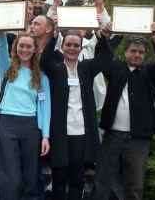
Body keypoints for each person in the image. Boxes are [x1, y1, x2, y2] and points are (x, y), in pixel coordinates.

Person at [93, 23, 155, 200]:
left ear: (144, 55)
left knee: (135, 185)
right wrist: (105, 38)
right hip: (112, 136)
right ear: (126, 52)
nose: (137, 55)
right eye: (133, 51)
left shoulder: (150, 73)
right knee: (102, 181)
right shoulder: (115, 69)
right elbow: (102, 57)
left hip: (138, 139)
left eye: (141, 52)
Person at [41, 27, 112, 200]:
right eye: (69, 45)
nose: (72, 48)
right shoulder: (55, 69)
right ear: (62, 47)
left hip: (81, 133)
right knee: (58, 178)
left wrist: (103, 37)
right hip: (60, 133)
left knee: (77, 179)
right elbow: (44, 59)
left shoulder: (87, 68)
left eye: (76, 45)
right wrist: (54, 35)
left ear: (81, 48)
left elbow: (105, 58)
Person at [0, 31, 51, 200]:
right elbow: (1, 47)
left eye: (29, 46)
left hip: (30, 126)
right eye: (21, 46)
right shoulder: (7, 69)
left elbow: (45, 107)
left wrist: (45, 136)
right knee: (10, 175)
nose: (25, 50)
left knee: (31, 174)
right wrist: (0, 32)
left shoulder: (41, 77)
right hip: (7, 124)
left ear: (35, 50)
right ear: (16, 47)